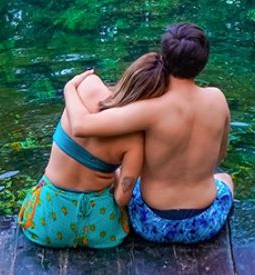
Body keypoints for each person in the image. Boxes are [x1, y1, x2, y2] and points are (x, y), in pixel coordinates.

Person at [62, 22, 232, 245]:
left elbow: (81, 126)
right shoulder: (218, 99)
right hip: (204, 224)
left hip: (152, 224)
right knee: (225, 178)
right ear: (203, 61)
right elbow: (219, 157)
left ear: (165, 58)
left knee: (128, 172)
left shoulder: (150, 110)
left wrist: (69, 89)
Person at [18, 52, 168, 249]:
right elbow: (122, 199)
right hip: (100, 229)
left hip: (49, 224)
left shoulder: (88, 84)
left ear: (129, 75)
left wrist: (68, 87)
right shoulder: (135, 140)